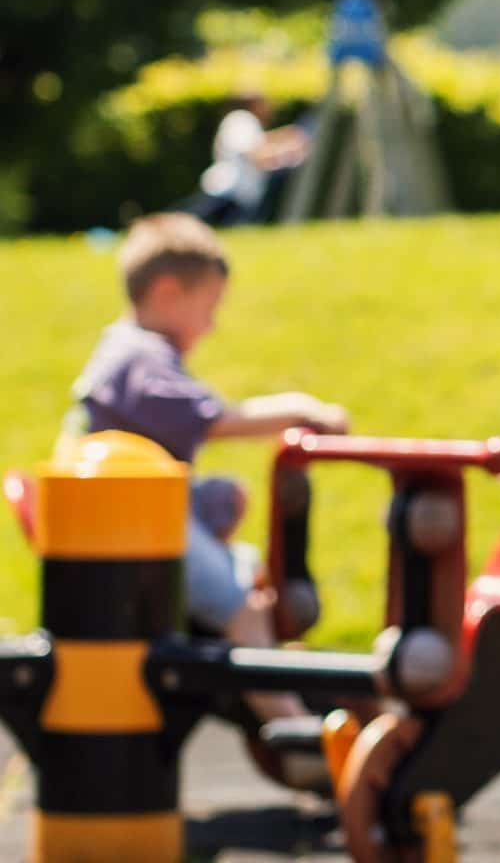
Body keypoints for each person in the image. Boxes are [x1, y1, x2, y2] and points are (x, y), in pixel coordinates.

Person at [64, 213, 349, 745]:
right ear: (168, 294)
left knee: (240, 548)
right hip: (130, 517)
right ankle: (291, 723)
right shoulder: (140, 358)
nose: (212, 325)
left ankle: (265, 656)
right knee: (241, 605)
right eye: (209, 308)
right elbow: (215, 421)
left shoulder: (128, 351)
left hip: (129, 510)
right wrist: (302, 410)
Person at [180, 91, 310, 226]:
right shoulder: (241, 119)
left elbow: (258, 144)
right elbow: (255, 154)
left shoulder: (243, 122)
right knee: (187, 223)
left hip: (236, 196)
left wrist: (286, 138)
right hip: (226, 193)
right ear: (254, 104)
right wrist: (287, 154)